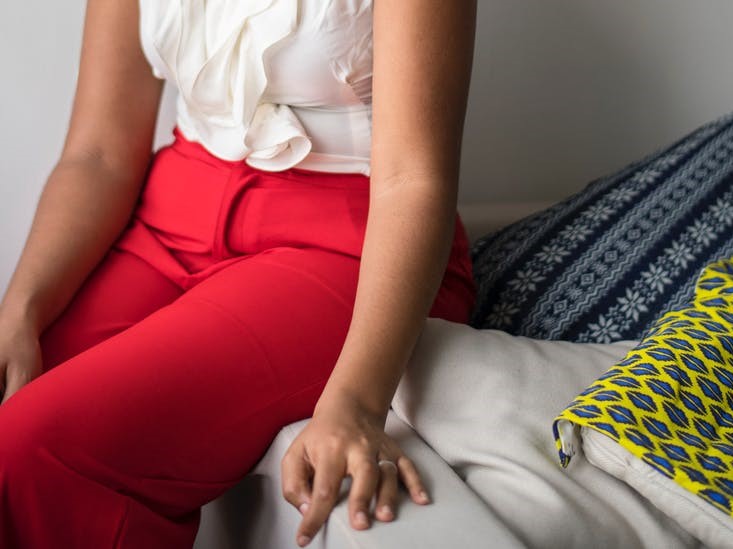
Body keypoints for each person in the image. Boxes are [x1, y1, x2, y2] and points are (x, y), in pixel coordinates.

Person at [0, 0, 478, 547]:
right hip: (169, 211)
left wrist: (359, 403)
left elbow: (413, 180)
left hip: (349, 243)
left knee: (33, 443)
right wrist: (19, 312)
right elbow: (98, 153)